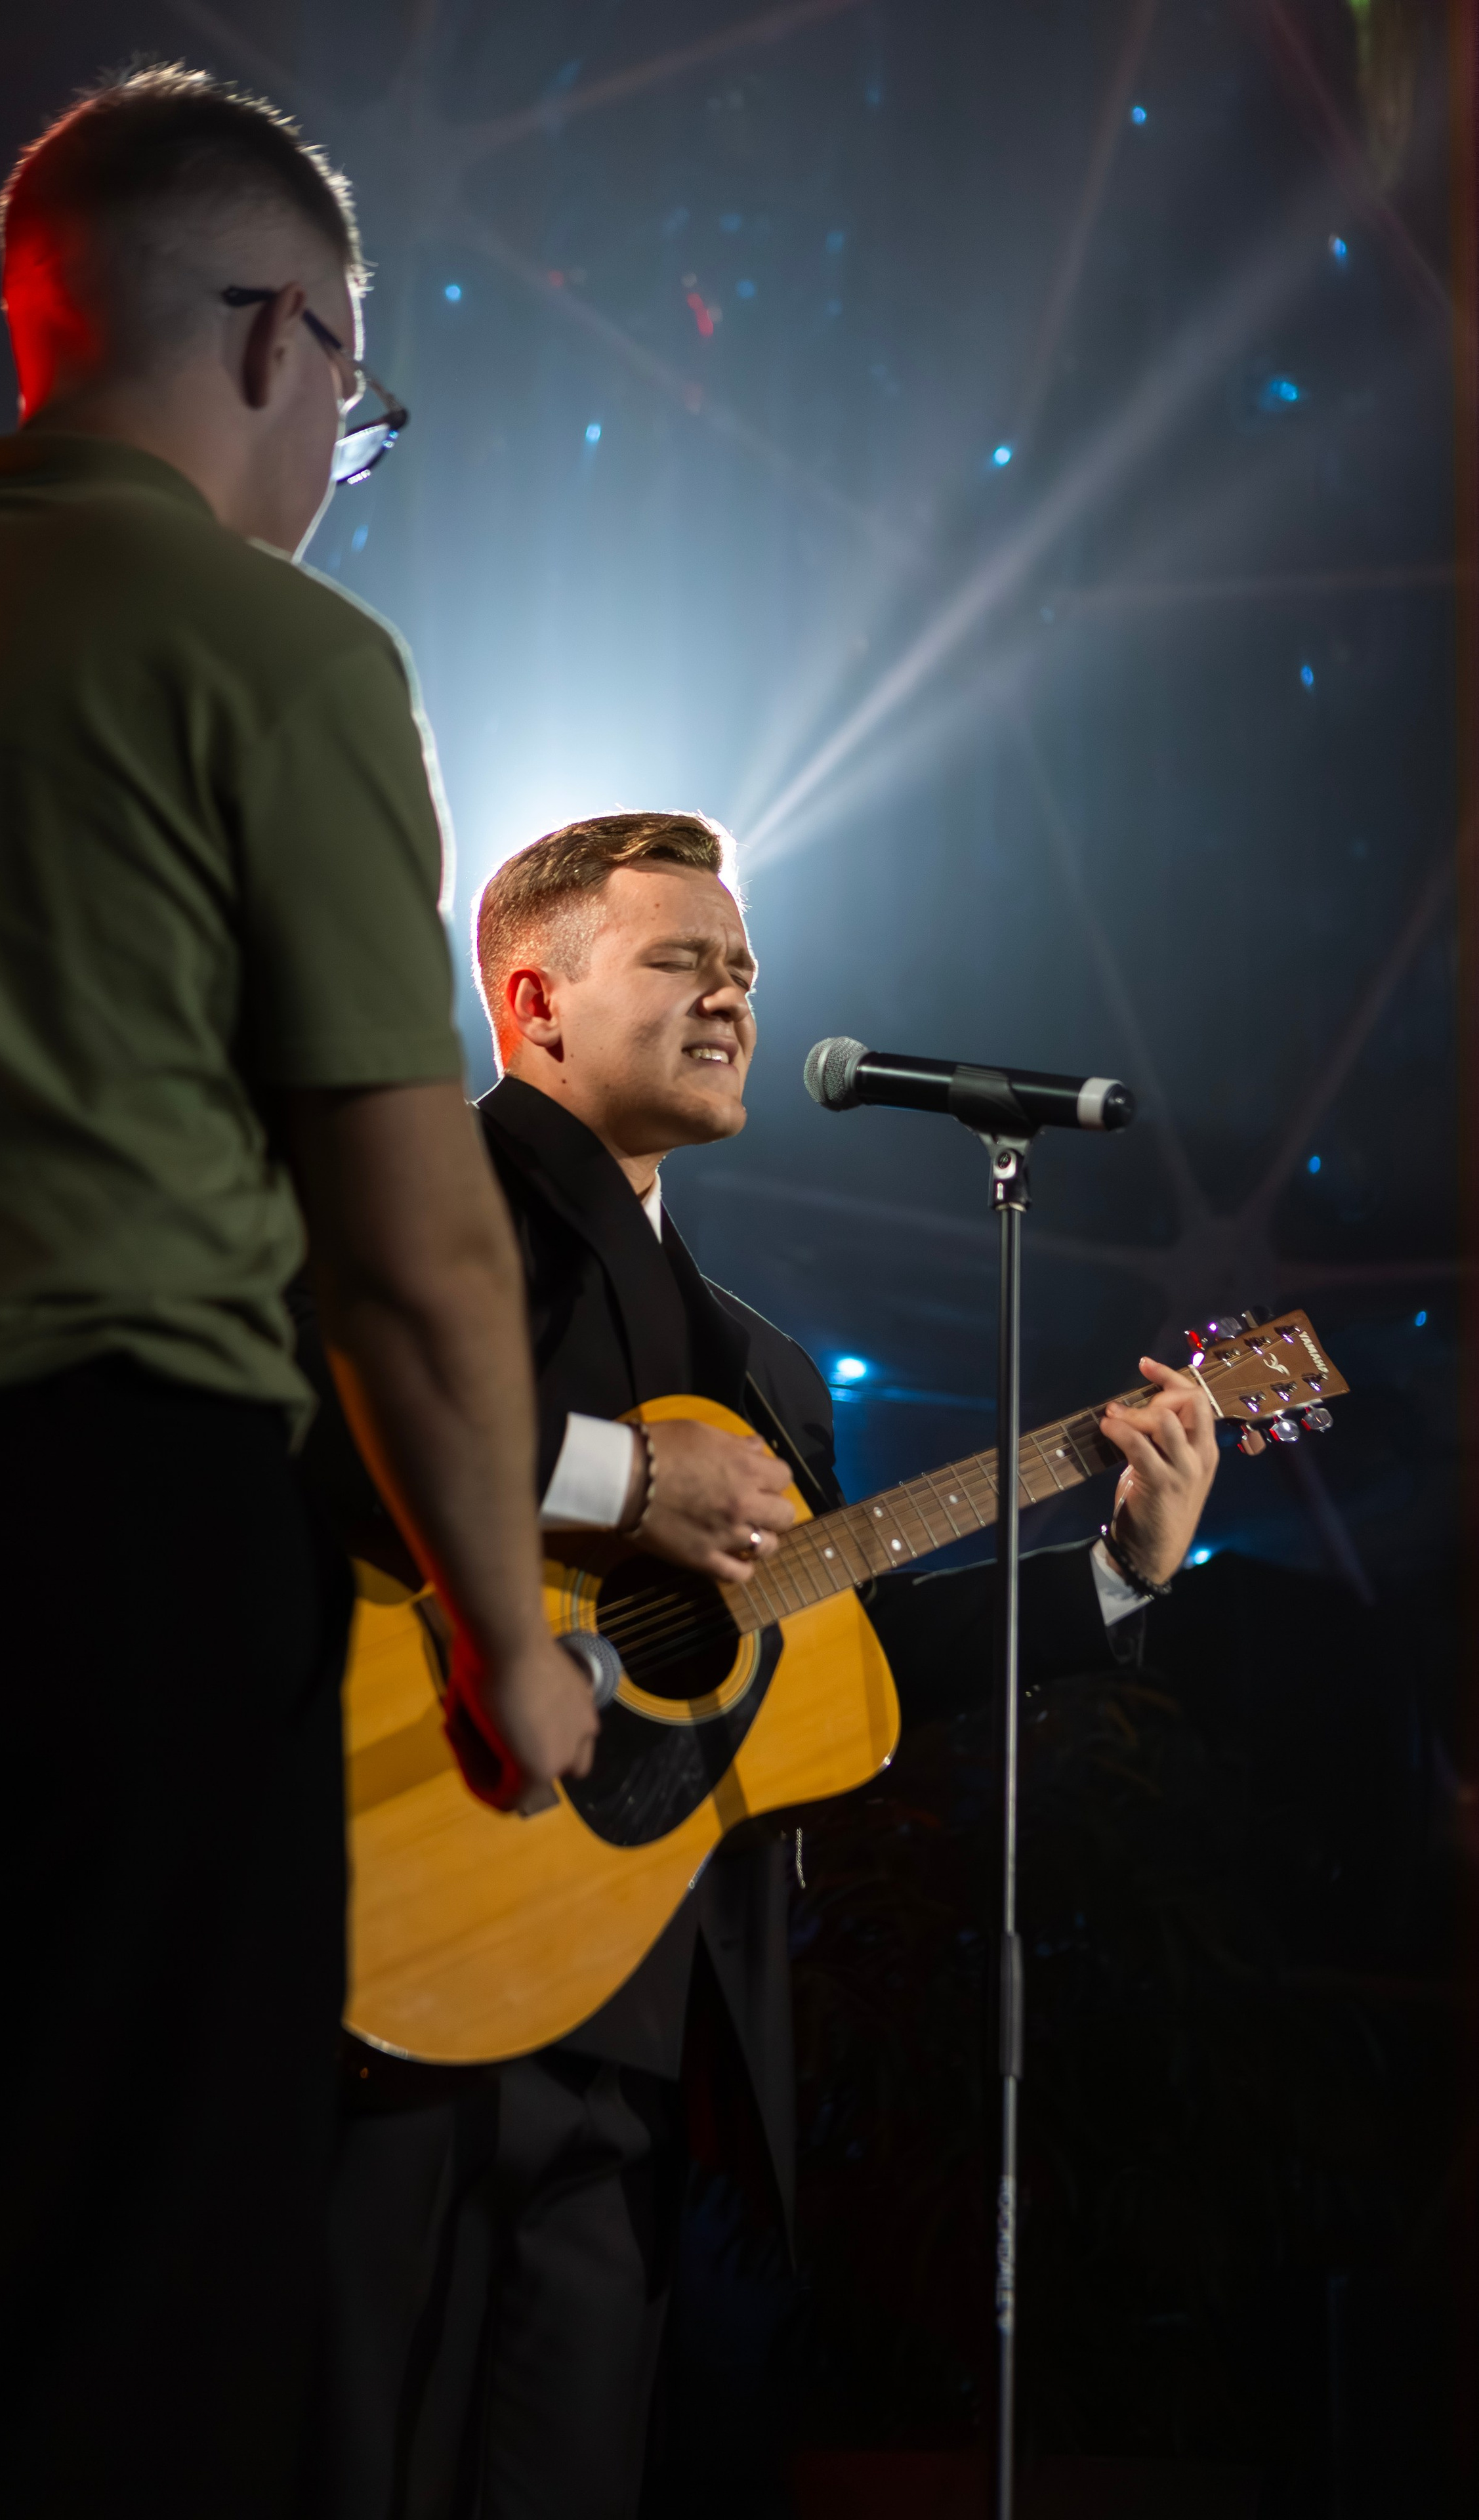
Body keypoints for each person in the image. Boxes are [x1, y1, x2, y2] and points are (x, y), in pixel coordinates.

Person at [0, 66, 594, 2520]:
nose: (334, 449)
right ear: (275, 337)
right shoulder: (277, 659)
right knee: (135, 2333)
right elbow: (413, 1239)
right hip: (117, 1551)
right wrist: (504, 1639)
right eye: (350, 393)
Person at [303, 812, 1219, 2520]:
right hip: (394, 1981)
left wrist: (1113, 1572)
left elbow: (828, 1669)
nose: (731, 994)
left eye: (744, 968)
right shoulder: (414, 1204)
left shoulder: (770, 1375)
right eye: (681, 960)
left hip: (638, 2036)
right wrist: (627, 1479)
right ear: (533, 1000)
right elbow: (306, 1424)